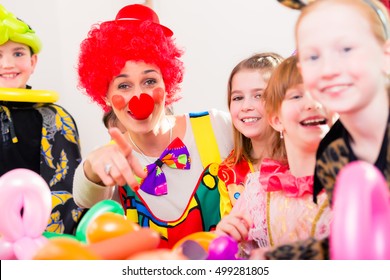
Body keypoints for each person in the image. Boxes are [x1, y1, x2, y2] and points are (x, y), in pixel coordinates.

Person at [73, 4, 233, 249]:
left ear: (167, 83)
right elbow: (85, 198)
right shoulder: (114, 160)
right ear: (105, 96)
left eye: (149, 81)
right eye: (124, 86)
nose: (139, 98)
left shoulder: (216, 126)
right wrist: (92, 167)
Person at [260, 0, 390, 260]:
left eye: (346, 49)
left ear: (385, 55)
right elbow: (352, 243)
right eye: (313, 57)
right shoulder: (332, 154)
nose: (329, 70)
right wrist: (271, 260)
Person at [215, 54, 334, 258]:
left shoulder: (357, 183)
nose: (313, 104)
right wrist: (224, 240)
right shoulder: (258, 193)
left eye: (322, 93)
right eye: (297, 96)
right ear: (276, 119)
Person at [0, 4, 83, 234]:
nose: (8, 64)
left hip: (44, 238)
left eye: (18, 53)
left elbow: (69, 189)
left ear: (33, 62)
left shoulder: (56, 119)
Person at [217, 52, 284, 216]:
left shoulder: (303, 161)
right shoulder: (229, 172)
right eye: (238, 97)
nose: (246, 106)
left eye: (259, 95)